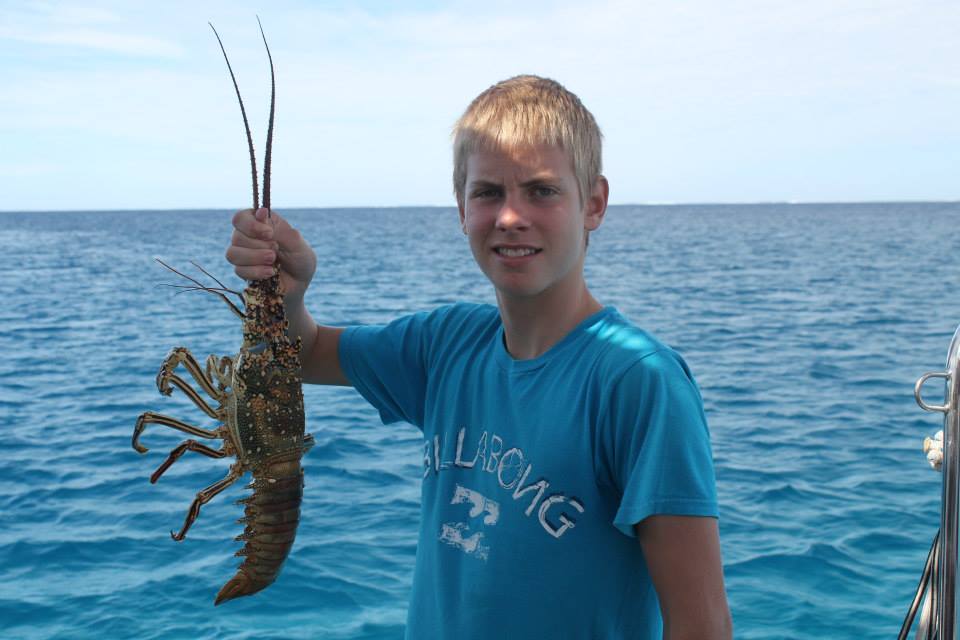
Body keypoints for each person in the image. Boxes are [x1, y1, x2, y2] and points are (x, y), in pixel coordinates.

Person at [226, 75, 732, 639]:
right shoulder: (446, 344)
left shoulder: (640, 381)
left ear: (593, 203)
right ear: (461, 208)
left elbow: (702, 626)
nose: (510, 217)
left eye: (542, 190)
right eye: (488, 192)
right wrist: (290, 296)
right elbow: (305, 354)